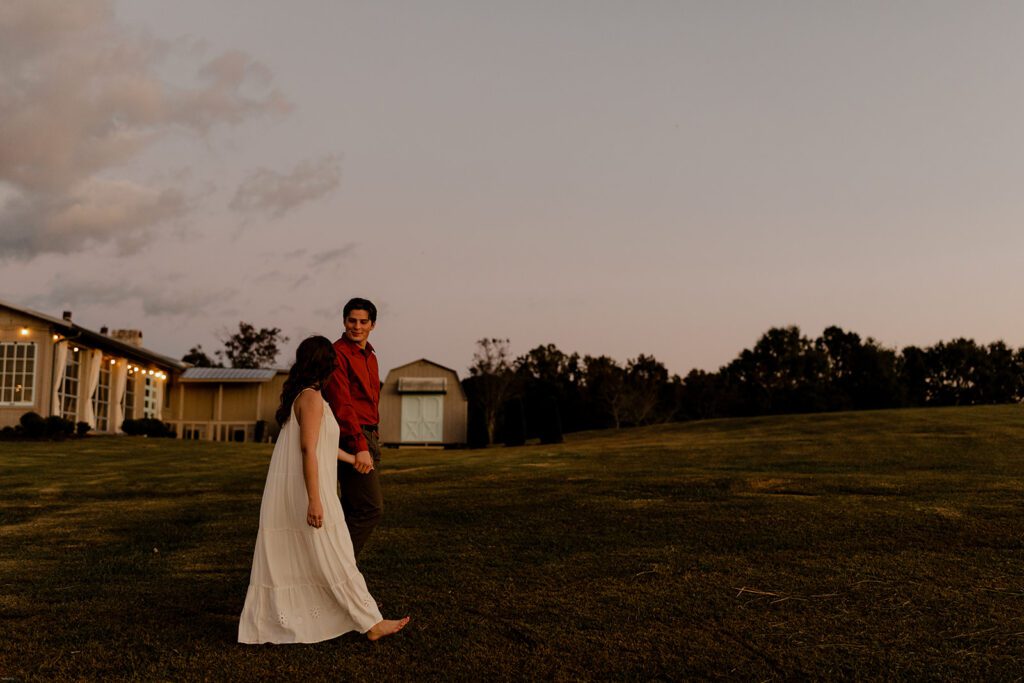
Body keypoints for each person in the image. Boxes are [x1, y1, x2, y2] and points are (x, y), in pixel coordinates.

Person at [238, 335, 409, 644]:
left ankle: (366, 620)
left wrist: (354, 458)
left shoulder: (307, 396)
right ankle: (371, 623)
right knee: (339, 555)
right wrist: (315, 501)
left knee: (325, 555)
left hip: (313, 491)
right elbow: (308, 451)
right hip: (313, 493)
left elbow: (322, 446)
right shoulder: (312, 400)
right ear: (327, 365)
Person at [323, 298, 383, 560]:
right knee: (370, 508)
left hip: (370, 434)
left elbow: (370, 400)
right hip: (352, 437)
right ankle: (339, 568)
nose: (356, 327)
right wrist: (360, 446)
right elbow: (343, 405)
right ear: (344, 321)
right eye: (351, 321)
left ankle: (341, 582)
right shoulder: (338, 354)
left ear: (373, 325)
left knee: (352, 509)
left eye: (362, 322)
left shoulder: (370, 355)